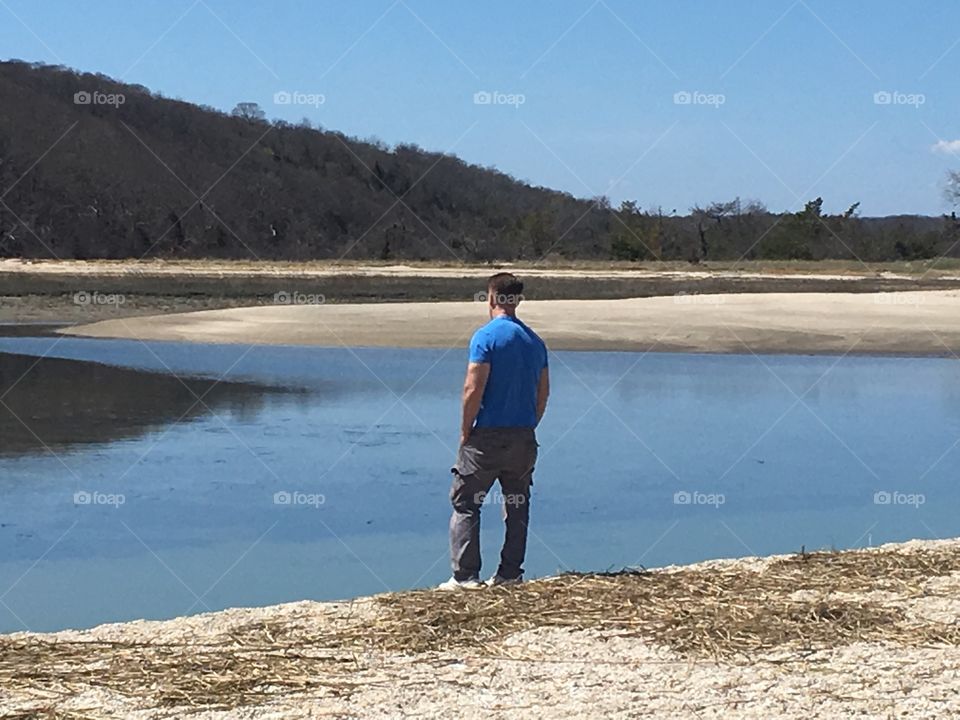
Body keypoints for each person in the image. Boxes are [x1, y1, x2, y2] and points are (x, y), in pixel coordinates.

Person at [440, 272, 550, 590]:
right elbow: (543, 393)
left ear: (490, 298)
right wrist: (529, 424)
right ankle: (510, 573)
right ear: (517, 300)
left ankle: (465, 576)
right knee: (517, 503)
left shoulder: (486, 337)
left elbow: (472, 388)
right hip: (523, 434)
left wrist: (465, 431)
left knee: (466, 502)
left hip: (487, 435)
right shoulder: (535, 341)